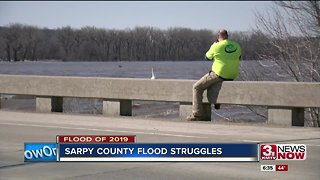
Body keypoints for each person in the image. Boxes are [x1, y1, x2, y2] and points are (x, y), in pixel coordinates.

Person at [187, 29, 241, 121]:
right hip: (233, 74)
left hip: (219, 73)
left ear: (218, 36)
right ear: (227, 36)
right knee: (213, 83)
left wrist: (213, 46)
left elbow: (207, 57)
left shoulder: (216, 46)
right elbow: (239, 57)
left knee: (197, 87)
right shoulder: (236, 45)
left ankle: (197, 114)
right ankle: (215, 102)